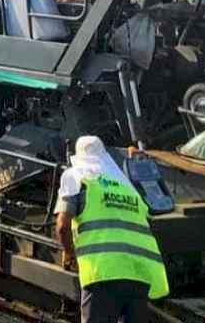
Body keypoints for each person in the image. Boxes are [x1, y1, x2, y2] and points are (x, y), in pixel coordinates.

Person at [54, 136, 169, 323]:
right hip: (139, 272)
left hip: (103, 272)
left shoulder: (76, 176)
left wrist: (69, 253)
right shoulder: (126, 186)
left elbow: (62, 225)